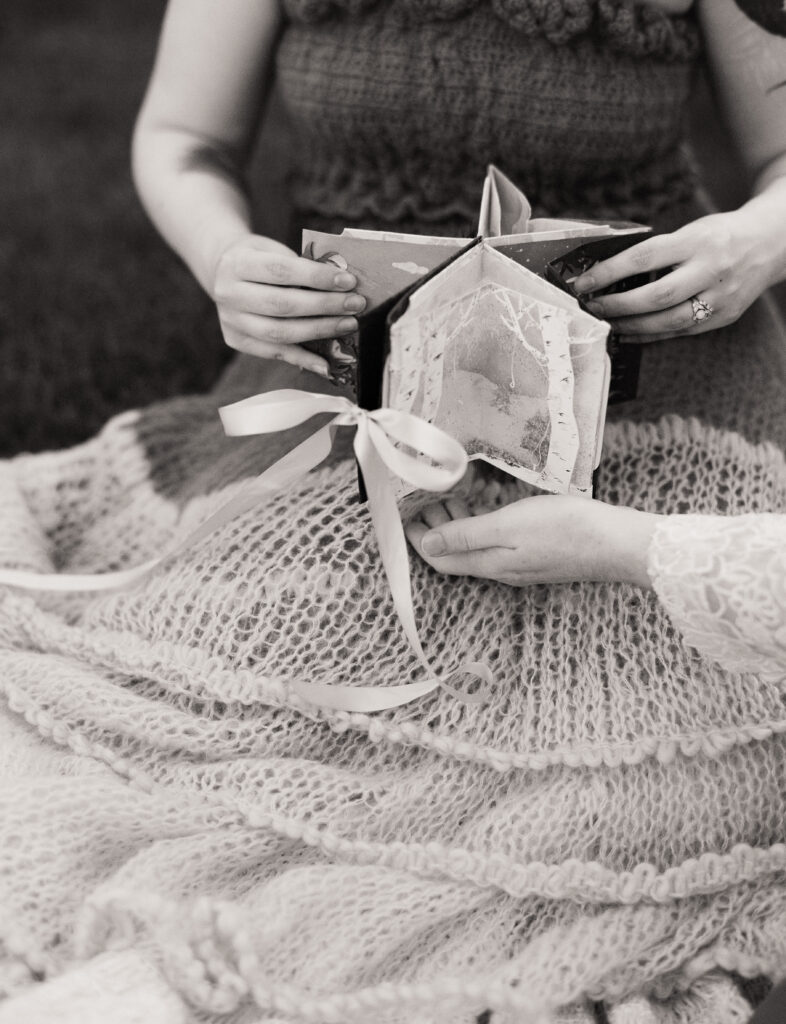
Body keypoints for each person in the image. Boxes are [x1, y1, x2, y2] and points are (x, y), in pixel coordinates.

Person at [0, 0, 785, 1022]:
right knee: (256, 709)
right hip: (353, 378)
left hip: (650, 379)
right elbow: (183, 139)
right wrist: (224, 261)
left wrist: (752, 243)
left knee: (649, 754)